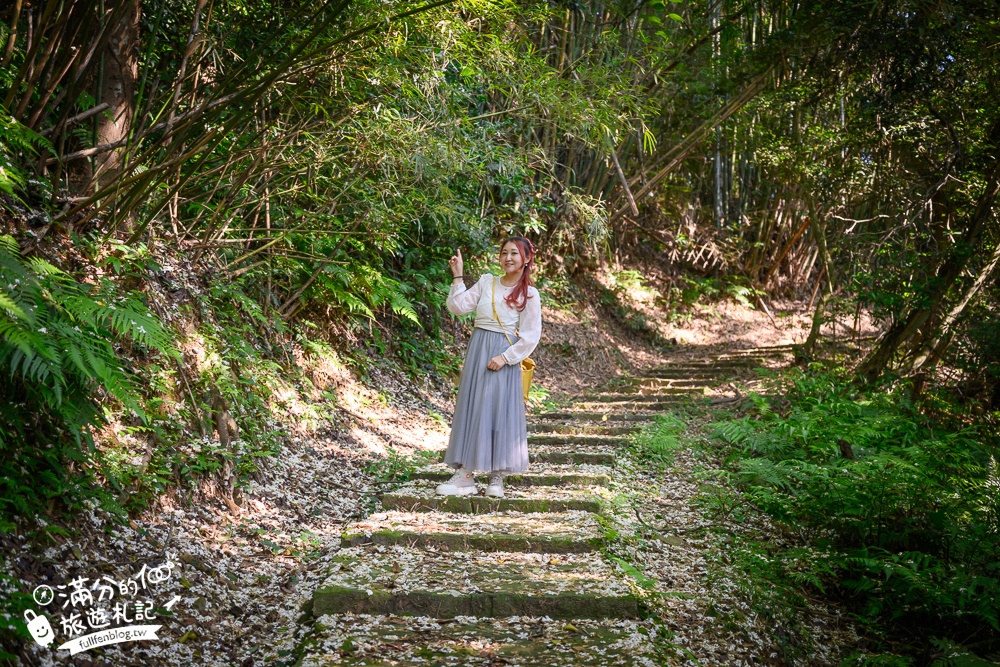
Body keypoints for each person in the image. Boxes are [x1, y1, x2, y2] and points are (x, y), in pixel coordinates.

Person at [435, 237, 542, 498]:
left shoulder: (529, 293)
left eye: (514, 253)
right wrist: (458, 276)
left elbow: (531, 335)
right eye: (504, 252)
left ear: (526, 259)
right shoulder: (487, 282)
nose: (508, 257)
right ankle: (466, 475)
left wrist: (505, 358)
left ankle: (497, 477)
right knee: (472, 408)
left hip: (504, 356)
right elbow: (458, 306)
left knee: (499, 412)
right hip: (478, 349)